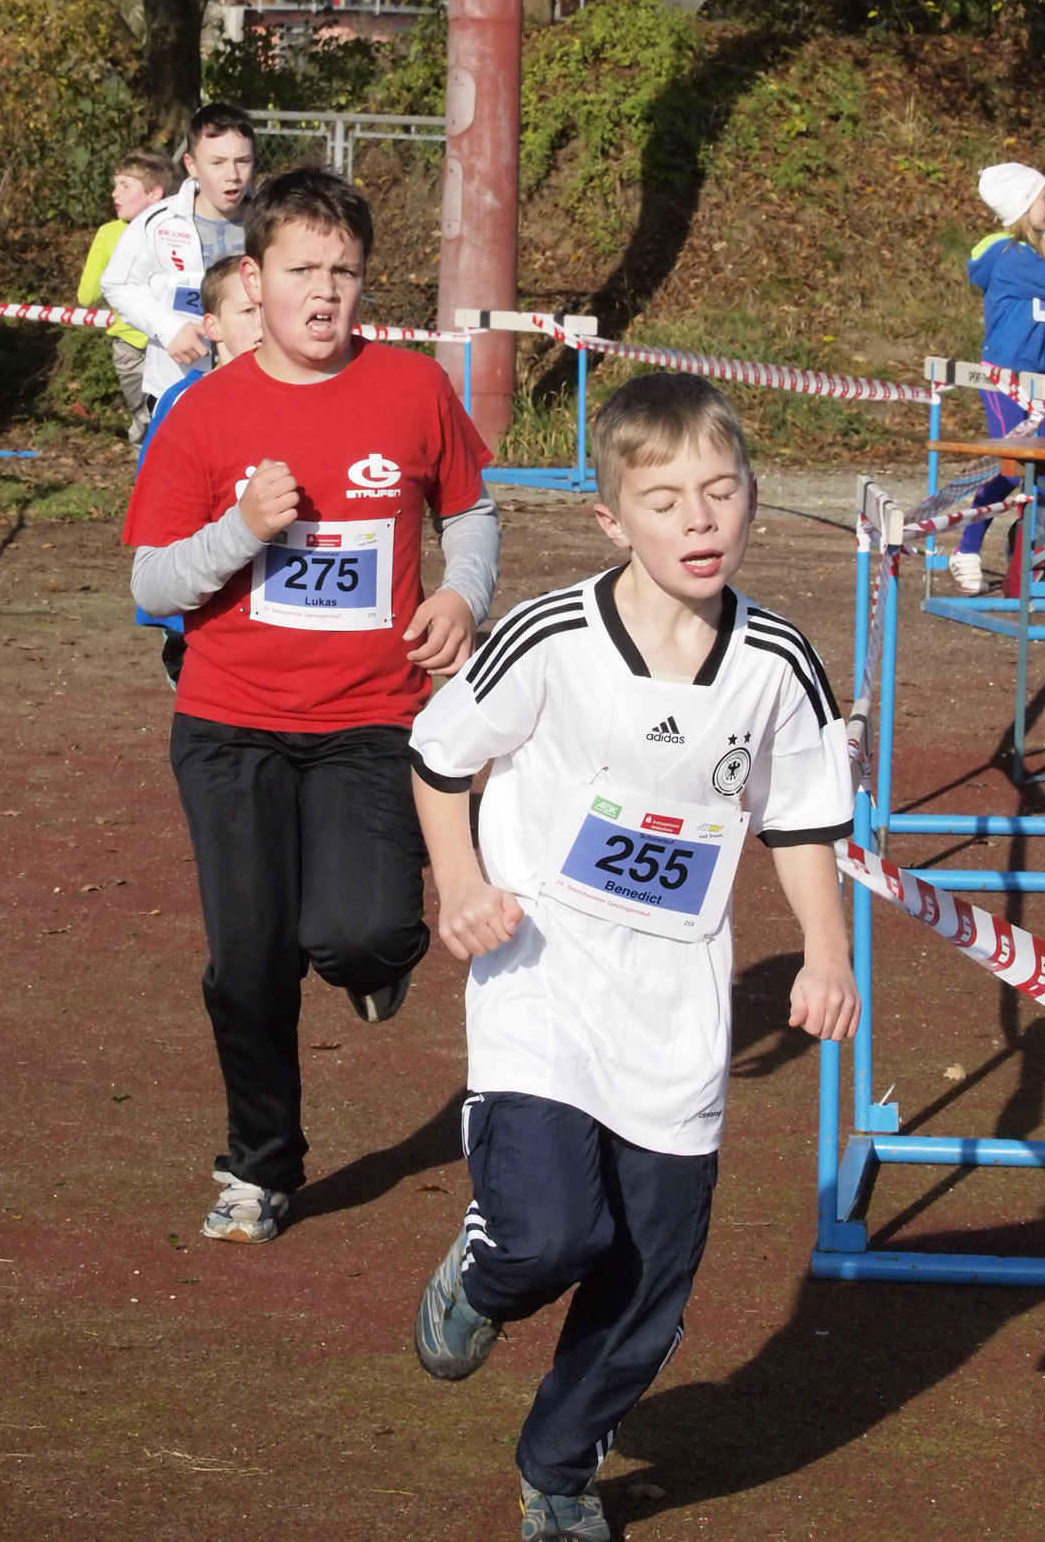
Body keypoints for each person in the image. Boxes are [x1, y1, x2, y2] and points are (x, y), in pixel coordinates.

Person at [405, 373, 858, 1542]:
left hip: (678, 1003)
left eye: (721, 492)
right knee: (551, 1234)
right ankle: (486, 1274)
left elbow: (803, 818)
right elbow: (441, 757)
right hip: (543, 979)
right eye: (665, 501)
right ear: (613, 519)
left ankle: (558, 1475)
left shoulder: (777, 663)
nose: (700, 521)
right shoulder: (551, 637)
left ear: (753, 497)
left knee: (650, 1283)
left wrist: (826, 952)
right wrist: (461, 884)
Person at [123, 167, 500, 1244]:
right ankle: (260, 1166)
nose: (325, 292)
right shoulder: (204, 410)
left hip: (371, 721)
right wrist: (241, 529)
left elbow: (472, 513)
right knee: (247, 964)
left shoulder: (414, 390)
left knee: (359, 934)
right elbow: (152, 582)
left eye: (345, 271)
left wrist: (461, 595)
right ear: (253, 278)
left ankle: (375, 963)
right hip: (229, 723)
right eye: (302, 270)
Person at [948, 163, 1045, 594]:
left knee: (1040, 473)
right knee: (1011, 470)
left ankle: (1024, 551)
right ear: (1026, 206)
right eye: (1044, 198)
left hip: (1035, 378)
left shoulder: (1026, 256)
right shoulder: (1013, 258)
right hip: (1005, 378)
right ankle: (966, 548)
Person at [135, 255, 264, 689]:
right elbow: (157, 511)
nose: (262, 322)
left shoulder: (296, 397)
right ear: (213, 326)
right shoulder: (183, 401)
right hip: (195, 606)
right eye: (247, 311)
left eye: (267, 308)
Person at [100, 101, 256, 408]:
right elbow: (118, 284)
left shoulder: (274, 221)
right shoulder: (156, 223)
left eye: (243, 161)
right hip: (177, 387)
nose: (233, 175)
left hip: (257, 387)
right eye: (217, 162)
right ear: (191, 164)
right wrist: (168, 328)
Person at [77, 150, 179, 446]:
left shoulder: (176, 231)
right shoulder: (109, 234)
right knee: (146, 423)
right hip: (132, 350)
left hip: (175, 344)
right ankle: (144, 473)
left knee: (177, 420)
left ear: (154, 194)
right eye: (115, 185)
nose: (114, 193)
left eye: (125, 185)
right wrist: (121, 263)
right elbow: (86, 296)